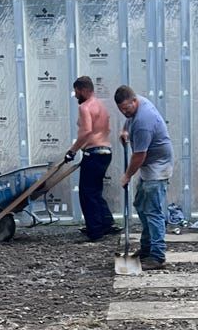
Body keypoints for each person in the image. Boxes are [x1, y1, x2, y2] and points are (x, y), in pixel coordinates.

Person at [114, 84, 173, 265]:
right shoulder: (136, 105)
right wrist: (125, 129)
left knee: (153, 212)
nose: (125, 112)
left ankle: (157, 255)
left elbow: (139, 155)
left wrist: (127, 176)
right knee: (141, 205)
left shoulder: (142, 122)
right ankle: (147, 247)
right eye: (121, 110)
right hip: (150, 167)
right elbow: (129, 118)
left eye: (127, 108)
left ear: (134, 101)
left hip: (157, 167)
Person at [64, 76, 115, 241]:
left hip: (93, 153)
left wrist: (72, 151)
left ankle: (95, 231)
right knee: (95, 191)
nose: (76, 95)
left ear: (84, 90)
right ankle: (106, 222)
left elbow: (86, 131)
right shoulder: (102, 106)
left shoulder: (85, 107)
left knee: (87, 194)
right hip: (106, 152)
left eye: (77, 91)